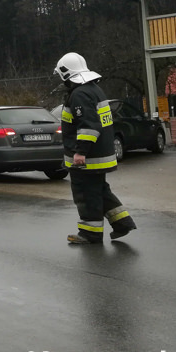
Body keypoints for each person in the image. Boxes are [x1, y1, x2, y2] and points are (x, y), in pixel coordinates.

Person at [54, 52, 137, 245]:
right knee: (100, 191)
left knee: (86, 194)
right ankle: (123, 223)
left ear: (66, 74)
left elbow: (88, 126)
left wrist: (80, 152)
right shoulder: (94, 90)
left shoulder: (80, 94)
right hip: (100, 155)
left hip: (87, 159)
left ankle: (90, 233)